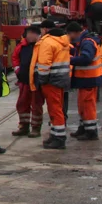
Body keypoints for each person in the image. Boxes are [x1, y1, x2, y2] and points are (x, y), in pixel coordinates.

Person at [32, 21, 72, 149]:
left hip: (51, 81)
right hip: (62, 79)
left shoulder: (47, 42)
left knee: (55, 109)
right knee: (57, 108)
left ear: (44, 29)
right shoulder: (63, 42)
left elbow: (44, 64)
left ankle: (59, 138)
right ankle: (55, 135)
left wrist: (42, 79)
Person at [68, 21, 102, 141]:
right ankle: (84, 128)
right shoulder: (83, 42)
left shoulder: (87, 42)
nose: (69, 37)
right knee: (82, 105)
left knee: (88, 106)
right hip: (86, 79)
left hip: (89, 79)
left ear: (75, 32)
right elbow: (81, 54)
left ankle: (91, 132)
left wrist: (70, 59)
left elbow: (86, 58)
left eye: (70, 34)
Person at [10, 25, 43, 136]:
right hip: (24, 80)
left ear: (35, 34)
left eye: (29, 34)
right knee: (22, 104)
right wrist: (18, 70)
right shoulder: (22, 45)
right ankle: (23, 126)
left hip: (36, 81)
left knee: (36, 105)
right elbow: (15, 57)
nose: (27, 37)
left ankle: (36, 128)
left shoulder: (41, 45)